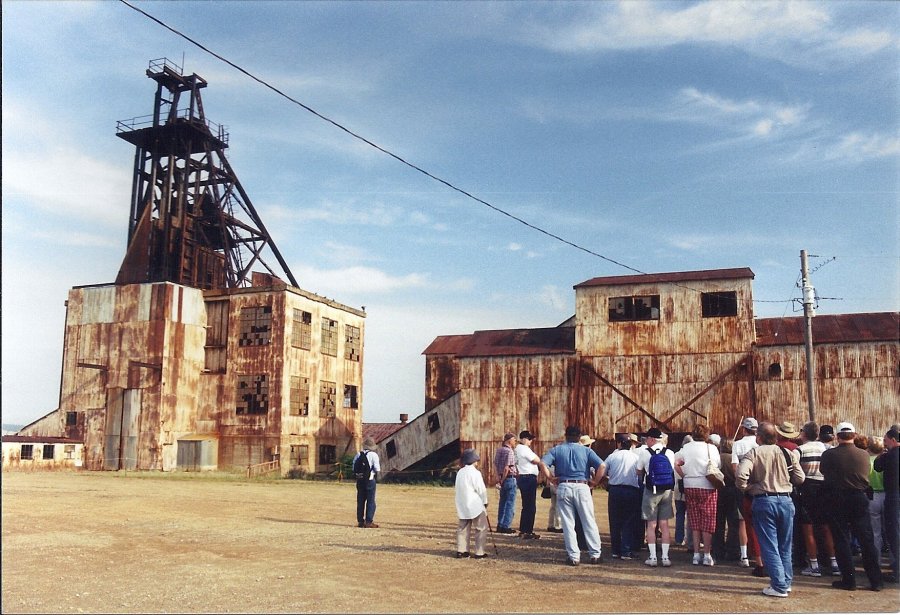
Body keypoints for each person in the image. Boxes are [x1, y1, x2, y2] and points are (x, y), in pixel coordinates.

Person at [736, 421, 805, 598]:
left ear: (758, 437)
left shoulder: (754, 453)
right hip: (786, 500)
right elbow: (800, 477)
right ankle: (785, 582)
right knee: (785, 545)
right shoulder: (787, 453)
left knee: (769, 545)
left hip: (764, 500)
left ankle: (779, 585)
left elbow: (741, 475)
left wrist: (747, 488)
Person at [821, 422, 883, 592]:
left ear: (837, 437)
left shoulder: (829, 454)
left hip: (837, 498)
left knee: (841, 539)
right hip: (859, 497)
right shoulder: (864, 454)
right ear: (854, 436)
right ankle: (875, 580)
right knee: (866, 539)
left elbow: (824, 471)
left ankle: (849, 580)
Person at [540, 425, 604, 566]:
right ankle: (595, 554)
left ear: (566, 436)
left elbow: (543, 463)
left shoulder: (557, 450)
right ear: (579, 437)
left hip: (564, 485)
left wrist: (550, 478)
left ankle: (574, 556)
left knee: (568, 523)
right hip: (582, 485)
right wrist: (595, 482)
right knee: (588, 520)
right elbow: (602, 466)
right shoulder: (586, 451)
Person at [796, 421, 839, 578]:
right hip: (824, 487)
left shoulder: (799, 450)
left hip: (807, 488)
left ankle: (814, 565)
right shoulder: (827, 449)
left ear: (804, 434)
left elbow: (796, 473)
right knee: (826, 526)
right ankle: (834, 563)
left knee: (808, 528)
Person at [675, 424, 721, 566]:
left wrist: (684, 475)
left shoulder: (686, 448)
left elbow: (676, 463)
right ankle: (707, 554)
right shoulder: (711, 448)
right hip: (707, 484)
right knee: (708, 520)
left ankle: (696, 554)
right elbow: (717, 465)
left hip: (690, 484)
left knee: (694, 520)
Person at [636, 426, 676, 567]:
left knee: (651, 524)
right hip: (666, 490)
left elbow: (638, 470)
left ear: (651, 439)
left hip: (651, 490)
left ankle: (653, 557)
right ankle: (665, 557)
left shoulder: (645, 453)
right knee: (664, 524)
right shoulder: (669, 452)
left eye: (647, 439)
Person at [596, 433, 641, 559]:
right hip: (631, 490)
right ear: (630, 444)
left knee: (615, 520)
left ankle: (615, 550)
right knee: (628, 520)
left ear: (619, 443)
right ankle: (626, 550)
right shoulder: (635, 457)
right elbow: (640, 473)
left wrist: (603, 480)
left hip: (615, 490)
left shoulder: (612, 456)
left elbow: (602, 470)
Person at [733, 417, 762, 573]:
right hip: (761, 486)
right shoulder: (760, 444)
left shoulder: (738, 444)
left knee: (743, 521)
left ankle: (744, 555)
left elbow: (735, 467)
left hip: (744, 487)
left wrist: (741, 485)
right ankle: (760, 555)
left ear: (744, 429)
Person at [873, 425, 899, 583]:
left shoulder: (889, 456)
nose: (884, 443)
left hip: (893, 496)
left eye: (886, 440)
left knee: (894, 532)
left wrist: (881, 454)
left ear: (893, 440)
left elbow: (877, 467)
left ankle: (898, 570)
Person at [455, 448, 489, 559]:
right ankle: (479, 552)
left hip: (462, 504)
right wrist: (485, 502)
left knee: (463, 528)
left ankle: (462, 550)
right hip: (475, 504)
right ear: (473, 460)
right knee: (481, 528)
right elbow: (481, 489)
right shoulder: (475, 473)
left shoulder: (460, 472)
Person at [712, 437, 741, 562]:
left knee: (718, 522)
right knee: (733, 523)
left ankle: (718, 550)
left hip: (719, 491)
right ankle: (733, 550)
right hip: (733, 491)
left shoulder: (717, 458)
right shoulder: (733, 460)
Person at [514, 430, 546, 540]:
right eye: (529, 439)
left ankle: (523, 530)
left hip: (522, 477)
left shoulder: (517, 449)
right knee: (530, 506)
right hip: (528, 478)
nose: (530, 441)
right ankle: (528, 531)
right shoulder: (524, 449)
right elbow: (536, 460)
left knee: (526, 506)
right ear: (523, 439)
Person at [492, 432, 518, 534]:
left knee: (502, 503)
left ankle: (500, 524)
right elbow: (507, 467)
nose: (515, 442)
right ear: (509, 440)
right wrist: (503, 479)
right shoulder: (510, 451)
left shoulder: (499, 450)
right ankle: (506, 526)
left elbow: (495, 465)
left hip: (501, 479)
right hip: (509, 478)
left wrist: (499, 479)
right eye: (514, 440)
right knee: (510, 503)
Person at [866, 437, 886, 567]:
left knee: (875, 532)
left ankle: (876, 560)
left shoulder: (866, 461)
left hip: (872, 495)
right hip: (886, 494)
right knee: (890, 529)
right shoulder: (885, 460)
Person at [353, 437, 381, 528]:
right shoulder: (374, 455)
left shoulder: (358, 454)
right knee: (371, 500)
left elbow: (353, 468)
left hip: (360, 480)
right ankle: (368, 521)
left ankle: (360, 521)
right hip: (370, 479)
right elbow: (377, 468)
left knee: (360, 500)